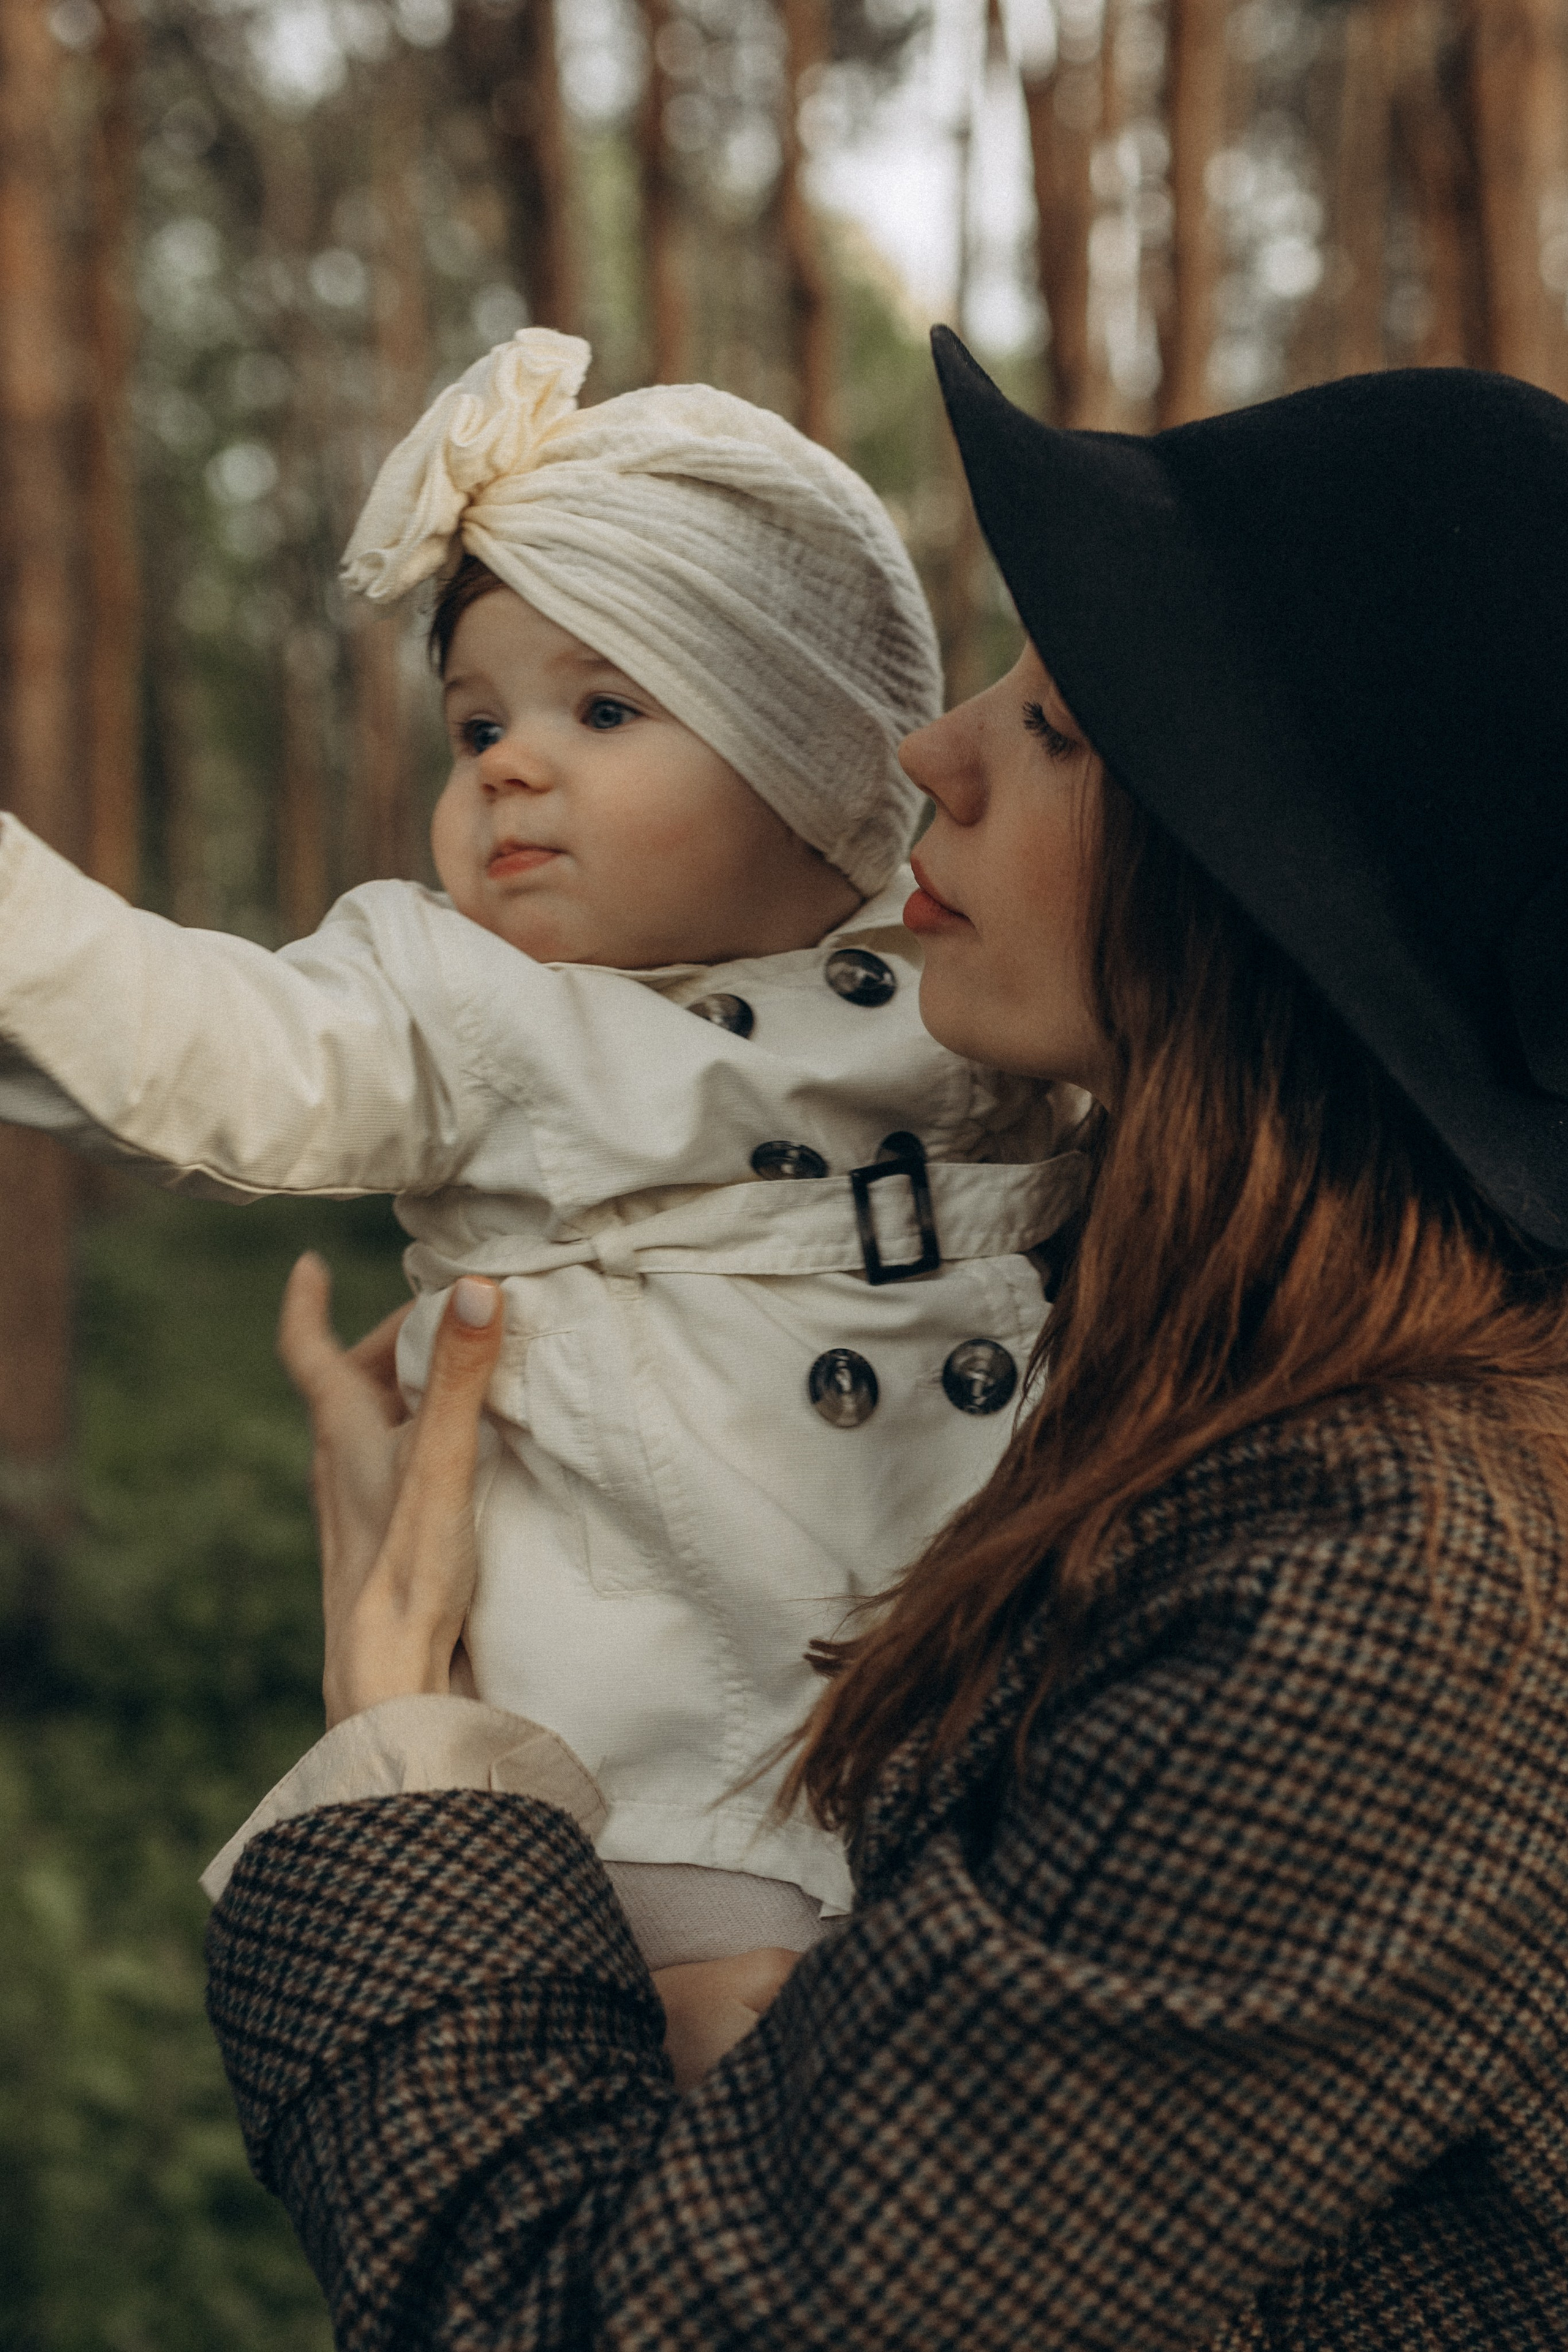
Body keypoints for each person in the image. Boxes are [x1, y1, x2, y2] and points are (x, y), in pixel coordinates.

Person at [206, 332, 1568, 2346]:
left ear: (1267, 895)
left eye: (1061, 726)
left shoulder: (1395, 1598)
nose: (933, 750)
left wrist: (410, 1771)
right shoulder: (1154, 1356)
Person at [0, 328, 1087, 1950]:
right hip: (665, 1794)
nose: (510, 762)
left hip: (989, 1743)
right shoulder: (467, 1008)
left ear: (812, 760)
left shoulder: (973, 979)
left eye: (602, 705)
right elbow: (205, 1044)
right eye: (474, 725)